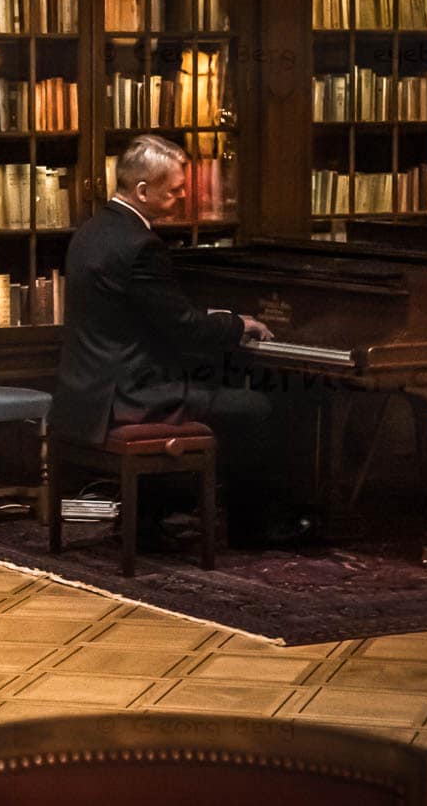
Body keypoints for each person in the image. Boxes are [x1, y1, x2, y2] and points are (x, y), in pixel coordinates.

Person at [50, 133, 294, 547]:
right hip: (131, 394)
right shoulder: (141, 245)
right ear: (143, 190)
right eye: (175, 190)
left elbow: (150, 315)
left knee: (215, 389)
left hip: (86, 390)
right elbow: (184, 328)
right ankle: (254, 528)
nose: (182, 197)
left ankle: (150, 518)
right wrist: (237, 325)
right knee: (255, 407)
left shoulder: (91, 231)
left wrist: (207, 319)